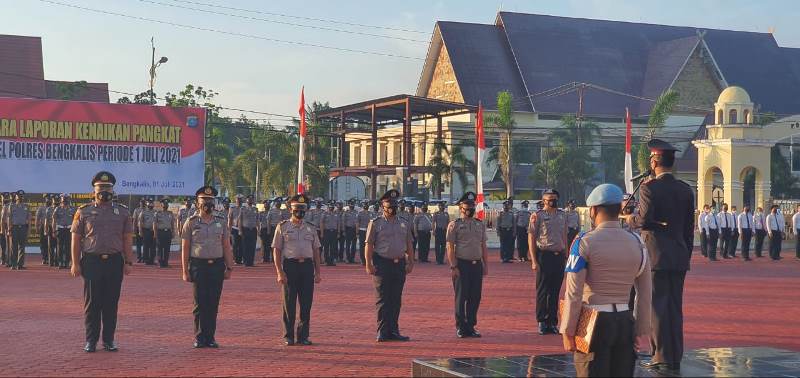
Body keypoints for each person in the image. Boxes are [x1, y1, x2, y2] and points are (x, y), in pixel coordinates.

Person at [561, 183, 652, 378]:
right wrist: (640, 327)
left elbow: (574, 291)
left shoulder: (583, 242)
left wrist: (568, 329)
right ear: (619, 209)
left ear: (593, 210)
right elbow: (645, 291)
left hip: (593, 323)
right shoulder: (637, 242)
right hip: (624, 320)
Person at [623, 139, 694, 373]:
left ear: (654, 161)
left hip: (656, 257)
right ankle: (673, 356)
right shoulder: (685, 189)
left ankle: (661, 356)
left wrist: (629, 218)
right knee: (674, 307)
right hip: (679, 256)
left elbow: (643, 220)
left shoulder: (648, 188)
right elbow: (688, 229)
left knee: (658, 308)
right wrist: (686, 255)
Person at [70, 171, 134, 352]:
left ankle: (109, 340)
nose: (104, 191)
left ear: (113, 191)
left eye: (107, 188)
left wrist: (128, 262)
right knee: (92, 303)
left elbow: (127, 239)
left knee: (111, 303)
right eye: (100, 188)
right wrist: (75, 263)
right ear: (93, 191)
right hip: (92, 262)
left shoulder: (122, 212)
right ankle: (91, 340)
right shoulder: (83, 211)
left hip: (114, 262)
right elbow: (76, 239)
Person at [181, 185, 233, 348]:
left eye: (210, 200)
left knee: (213, 302)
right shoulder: (191, 222)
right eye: (204, 200)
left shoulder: (221, 221)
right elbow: (185, 247)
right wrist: (184, 270)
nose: (208, 204)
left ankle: (210, 337)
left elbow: (226, 245)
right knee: (199, 303)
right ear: (198, 203)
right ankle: (199, 336)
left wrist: (229, 267)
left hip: (217, 266)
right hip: (198, 265)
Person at [272, 193, 322, 346]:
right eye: (296, 209)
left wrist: (318, 272)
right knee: (289, 303)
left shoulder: (311, 228)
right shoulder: (283, 227)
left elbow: (316, 251)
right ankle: (288, 335)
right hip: (290, 267)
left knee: (306, 303)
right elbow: (277, 250)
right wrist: (279, 272)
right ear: (291, 210)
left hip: (306, 267)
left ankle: (303, 336)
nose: (299, 212)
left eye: (302, 209)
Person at [365, 189, 413, 342]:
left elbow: (409, 244)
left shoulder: (404, 223)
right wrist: (368, 264)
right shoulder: (375, 223)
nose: (392, 207)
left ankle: (394, 330)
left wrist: (411, 261)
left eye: (394, 204)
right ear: (382, 206)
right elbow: (369, 245)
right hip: (382, 264)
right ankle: (382, 331)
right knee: (383, 299)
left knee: (396, 299)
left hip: (399, 264)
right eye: (389, 205)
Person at [446, 192, 488, 338]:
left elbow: (483, 245)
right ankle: (461, 327)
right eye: (467, 206)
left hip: (476, 264)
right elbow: (450, 247)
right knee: (461, 297)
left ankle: (471, 326)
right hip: (461, 265)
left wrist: (485, 264)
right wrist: (453, 266)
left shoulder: (479, 224)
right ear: (461, 208)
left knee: (475, 297)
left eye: (472, 206)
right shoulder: (454, 225)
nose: (470, 209)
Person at [528, 189, 568, 335]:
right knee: (543, 290)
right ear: (543, 201)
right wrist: (533, 260)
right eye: (550, 198)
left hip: (559, 256)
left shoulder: (562, 215)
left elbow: (564, 235)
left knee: (555, 291)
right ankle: (542, 321)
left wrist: (567, 255)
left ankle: (552, 321)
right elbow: (531, 237)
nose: (553, 201)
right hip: (544, 256)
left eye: (555, 198)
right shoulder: (537, 216)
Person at [6, 190, 31, 270]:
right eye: (19, 196)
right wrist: (9, 229)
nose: (20, 198)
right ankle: (13, 264)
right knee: (14, 246)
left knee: (22, 247)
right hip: (14, 228)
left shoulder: (26, 206)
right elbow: (9, 218)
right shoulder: (12, 206)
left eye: (22, 196)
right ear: (16, 197)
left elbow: (29, 219)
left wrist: (29, 230)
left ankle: (20, 264)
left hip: (23, 227)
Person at [52, 194, 77, 269]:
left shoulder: (73, 209)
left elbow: (76, 221)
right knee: (59, 246)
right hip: (60, 229)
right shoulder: (58, 209)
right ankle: (60, 262)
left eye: (66, 200)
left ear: (69, 200)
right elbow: (54, 220)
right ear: (61, 200)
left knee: (68, 247)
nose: (65, 202)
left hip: (69, 230)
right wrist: (54, 230)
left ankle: (67, 262)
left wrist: (75, 230)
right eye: (63, 200)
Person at [154, 198, 176, 268]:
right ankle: (160, 263)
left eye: (167, 204)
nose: (165, 205)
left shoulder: (170, 213)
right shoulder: (157, 213)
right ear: (161, 205)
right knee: (160, 248)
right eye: (164, 203)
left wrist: (173, 232)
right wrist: (155, 233)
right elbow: (154, 224)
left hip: (168, 232)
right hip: (160, 232)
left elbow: (172, 223)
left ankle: (166, 263)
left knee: (167, 248)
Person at [238, 195, 258, 267]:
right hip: (245, 229)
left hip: (253, 229)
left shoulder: (255, 209)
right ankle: (246, 261)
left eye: (251, 199)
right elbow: (240, 220)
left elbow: (257, 220)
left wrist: (258, 229)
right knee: (245, 246)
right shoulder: (242, 209)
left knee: (252, 246)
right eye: (249, 199)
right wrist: (240, 230)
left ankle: (251, 261)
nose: (250, 200)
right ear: (246, 200)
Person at [264, 199, 286, 264]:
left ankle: (279, 258)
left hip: (281, 229)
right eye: (277, 203)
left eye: (280, 203)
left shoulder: (282, 211)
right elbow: (268, 221)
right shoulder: (271, 211)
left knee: (281, 244)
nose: (279, 204)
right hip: (273, 229)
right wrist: (268, 230)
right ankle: (273, 258)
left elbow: (284, 221)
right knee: (273, 244)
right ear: (275, 203)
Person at [137, 198, 157, 265]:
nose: (151, 204)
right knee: (146, 246)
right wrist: (140, 231)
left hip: (154, 231)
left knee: (153, 246)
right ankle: (146, 260)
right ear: (147, 204)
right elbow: (140, 222)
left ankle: (152, 260)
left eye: (152, 203)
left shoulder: (156, 212)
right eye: (149, 203)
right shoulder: (143, 212)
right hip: (146, 230)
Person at [320, 201, 341, 266]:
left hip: (334, 232)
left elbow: (338, 224)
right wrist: (322, 233)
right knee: (326, 247)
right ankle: (327, 260)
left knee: (333, 247)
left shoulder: (336, 214)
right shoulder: (324, 214)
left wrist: (338, 232)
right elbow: (322, 223)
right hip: (327, 231)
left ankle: (332, 260)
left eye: (332, 206)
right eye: (330, 206)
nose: (331, 207)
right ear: (328, 206)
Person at [496, 199, 516, 263]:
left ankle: (507, 258)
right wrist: (498, 232)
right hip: (503, 231)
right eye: (505, 206)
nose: (506, 207)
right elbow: (498, 224)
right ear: (503, 206)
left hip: (509, 231)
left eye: (507, 206)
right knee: (503, 245)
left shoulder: (511, 214)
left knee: (509, 245)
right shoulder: (500, 214)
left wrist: (514, 232)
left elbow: (514, 224)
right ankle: (502, 258)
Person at [228, 195, 244, 265]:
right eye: (238, 199)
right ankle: (236, 259)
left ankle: (240, 259)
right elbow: (230, 219)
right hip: (234, 228)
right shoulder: (232, 208)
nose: (239, 201)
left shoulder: (244, 208)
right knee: (234, 245)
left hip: (243, 229)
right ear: (236, 200)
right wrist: (229, 229)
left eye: (240, 200)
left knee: (242, 245)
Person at [357, 200, 373, 265]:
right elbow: (357, 223)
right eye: (364, 204)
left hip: (369, 231)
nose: (366, 205)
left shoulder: (371, 213)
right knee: (362, 246)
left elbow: (372, 223)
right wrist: (357, 232)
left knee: (369, 246)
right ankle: (362, 260)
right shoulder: (360, 213)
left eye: (367, 204)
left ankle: (368, 259)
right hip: (362, 231)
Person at [36, 194, 50, 265]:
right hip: (43, 227)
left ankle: (51, 258)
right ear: (45, 199)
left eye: (49, 199)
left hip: (51, 227)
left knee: (51, 244)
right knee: (43, 243)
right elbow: (37, 218)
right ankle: (44, 258)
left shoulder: (54, 208)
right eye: (47, 199)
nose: (48, 200)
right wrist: (36, 227)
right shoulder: (41, 208)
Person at [46, 195, 59, 267]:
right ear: (52, 202)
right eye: (54, 203)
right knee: (50, 246)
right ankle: (51, 261)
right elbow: (46, 221)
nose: (55, 204)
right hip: (51, 228)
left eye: (57, 203)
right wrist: (45, 229)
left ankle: (57, 261)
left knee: (58, 246)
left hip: (59, 228)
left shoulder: (61, 209)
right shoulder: (49, 209)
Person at [0, 192, 10, 267]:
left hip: (5, 228)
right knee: (2, 245)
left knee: (6, 245)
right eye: (3, 198)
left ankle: (7, 260)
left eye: (6, 198)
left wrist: (3, 229)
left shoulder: (8, 207)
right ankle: (2, 259)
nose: (4, 200)